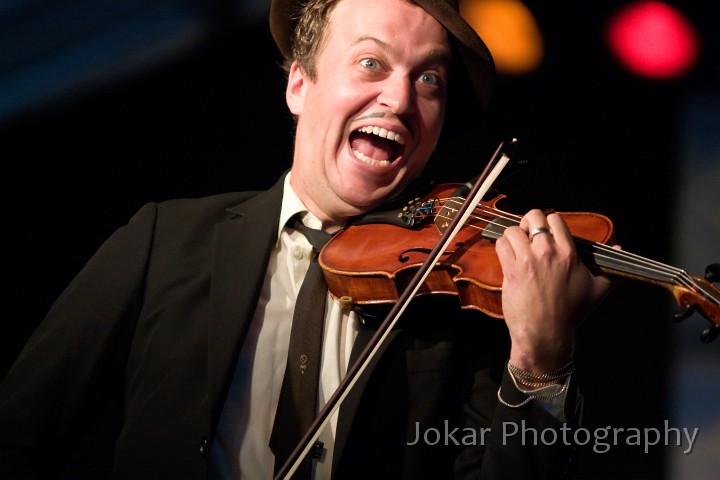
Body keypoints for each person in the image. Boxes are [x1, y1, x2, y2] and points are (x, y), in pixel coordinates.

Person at [0, 0, 616, 478]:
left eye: (429, 80)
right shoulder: (167, 240)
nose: (400, 99)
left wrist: (539, 362)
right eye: (372, 63)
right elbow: (20, 435)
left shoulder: (458, 300)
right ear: (299, 85)